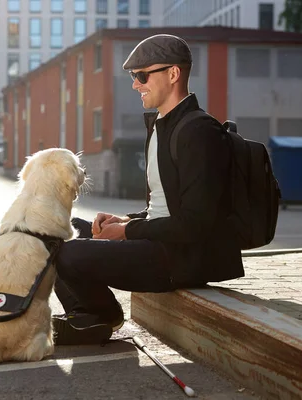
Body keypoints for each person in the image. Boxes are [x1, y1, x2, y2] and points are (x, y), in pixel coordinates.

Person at [52, 34, 244, 345]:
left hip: (183, 258)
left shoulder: (199, 132)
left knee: (68, 252)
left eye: (142, 75)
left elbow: (195, 223)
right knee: (60, 230)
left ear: (173, 74)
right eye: (133, 76)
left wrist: (128, 233)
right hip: (163, 245)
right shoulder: (162, 125)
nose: (135, 84)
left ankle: (102, 316)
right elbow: (164, 206)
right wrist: (123, 222)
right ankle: (87, 315)